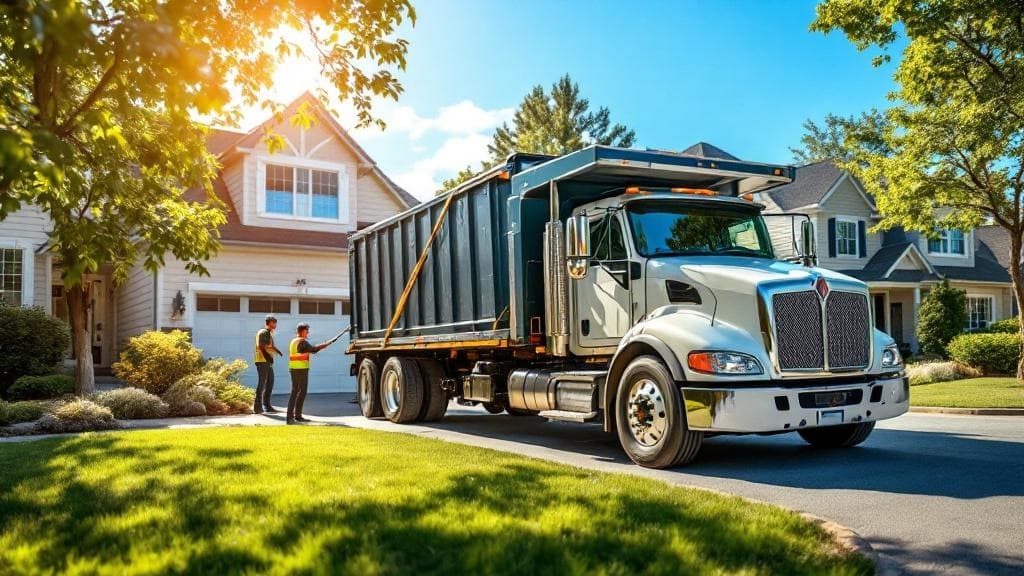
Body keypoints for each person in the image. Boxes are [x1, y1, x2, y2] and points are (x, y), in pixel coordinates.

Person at [287, 322, 336, 424]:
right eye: (306, 331)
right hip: (300, 369)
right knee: (297, 392)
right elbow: (314, 349)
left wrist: (324, 345)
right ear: (301, 331)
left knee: (299, 392)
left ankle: (297, 416)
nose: (308, 332)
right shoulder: (302, 342)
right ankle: (290, 418)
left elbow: (311, 350)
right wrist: (327, 344)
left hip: (296, 369)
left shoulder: (294, 341)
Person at [253, 315, 283, 414]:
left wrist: (278, 351)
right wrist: (268, 357)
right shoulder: (263, 332)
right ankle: (257, 407)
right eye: (274, 322)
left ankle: (267, 406)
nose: (275, 324)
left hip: (266, 362)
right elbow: (261, 346)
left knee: (270, 382)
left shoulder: (268, 333)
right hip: (262, 361)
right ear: (269, 322)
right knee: (262, 384)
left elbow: (270, 346)